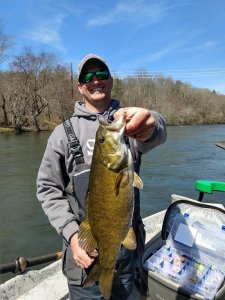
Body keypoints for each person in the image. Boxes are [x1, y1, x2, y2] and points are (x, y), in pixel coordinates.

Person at [36, 53, 167, 300]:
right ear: (79, 86)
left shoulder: (126, 123)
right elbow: (47, 189)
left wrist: (151, 123)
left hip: (127, 259)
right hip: (83, 256)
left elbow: (156, 132)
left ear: (111, 80)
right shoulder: (62, 134)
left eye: (101, 74)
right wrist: (72, 234)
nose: (95, 80)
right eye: (87, 76)